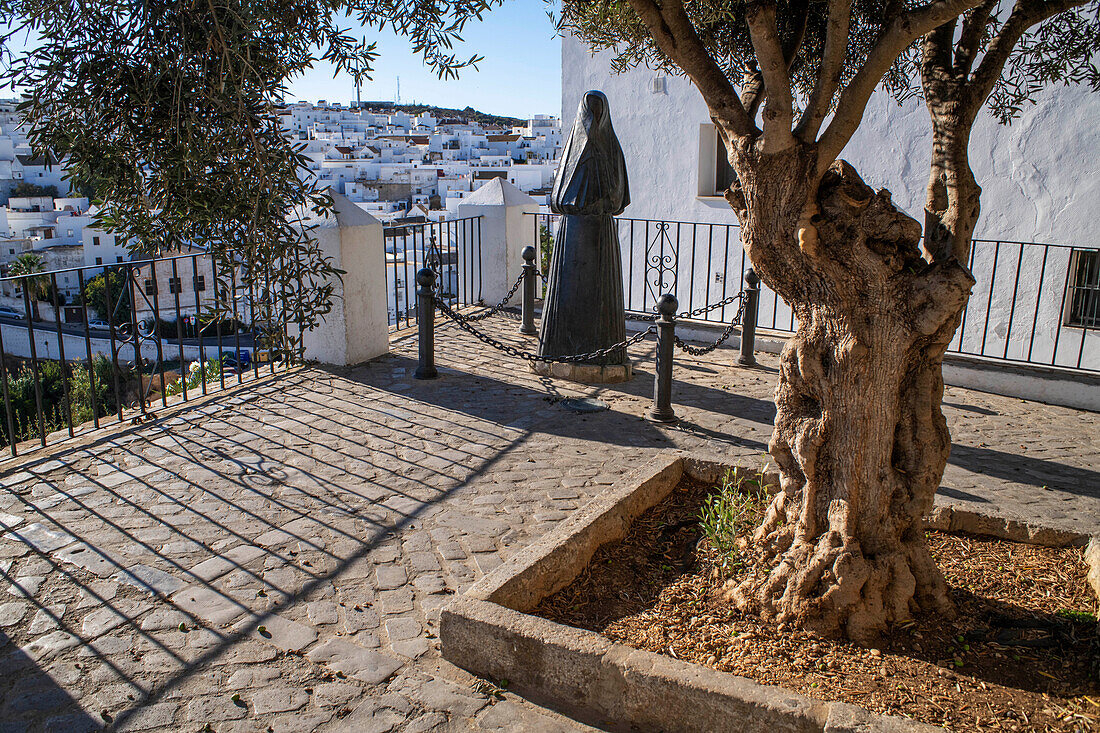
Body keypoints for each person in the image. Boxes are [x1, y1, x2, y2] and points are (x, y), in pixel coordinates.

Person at [538, 90, 630, 366]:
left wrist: (597, 202)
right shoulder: (573, 151)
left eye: (598, 112)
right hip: (574, 236)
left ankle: (604, 354)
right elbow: (559, 197)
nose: (594, 118)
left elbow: (619, 198)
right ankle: (561, 349)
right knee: (569, 295)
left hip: (600, 233)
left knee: (599, 300)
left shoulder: (612, 150)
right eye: (590, 112)